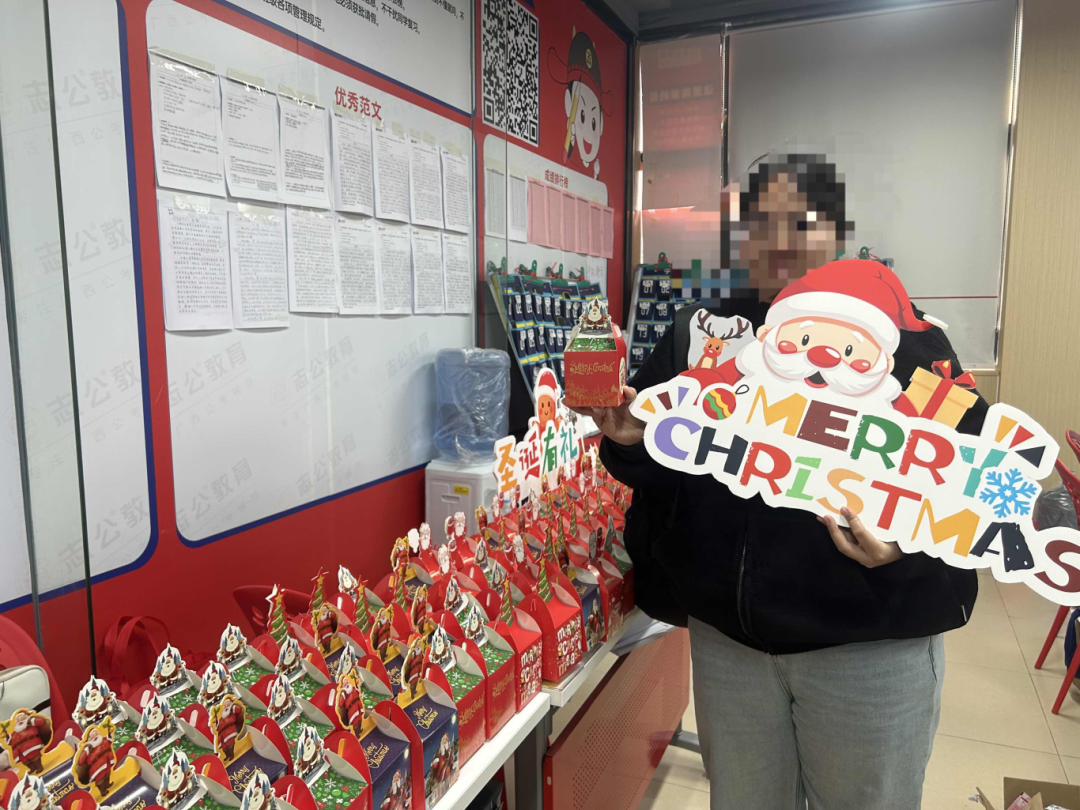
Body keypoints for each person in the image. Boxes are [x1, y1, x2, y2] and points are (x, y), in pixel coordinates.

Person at [578, 155, 987, 810]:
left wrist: (907, 545)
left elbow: (974, 477)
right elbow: (658, 460)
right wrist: (629, 437)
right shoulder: (705, 335)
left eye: (800, 223)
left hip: (866, 648)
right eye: (758, 224)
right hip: (731, 648)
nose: (776, 242)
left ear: (838, 232)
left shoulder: (905, 342)